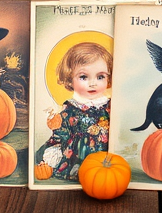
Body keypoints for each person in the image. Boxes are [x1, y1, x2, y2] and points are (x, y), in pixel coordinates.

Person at [37, 41, 112, 181]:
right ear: (70, 79)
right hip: (76, 157)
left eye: (100, 76)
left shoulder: (110, 106)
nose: (93, 83)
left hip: (106, 160)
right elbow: (62, 134)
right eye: (83, 77)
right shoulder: (70, 108)